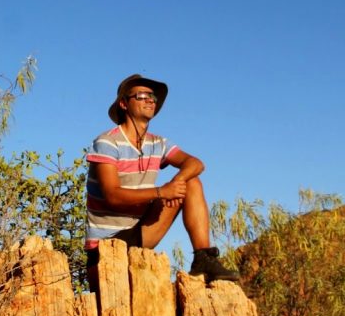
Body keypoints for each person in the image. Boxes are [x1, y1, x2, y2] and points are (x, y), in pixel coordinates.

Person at [85, 73, 237, 287]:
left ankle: (204, 258)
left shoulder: (158, 143)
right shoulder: (108, 142)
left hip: (139, 232)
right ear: (124, 104)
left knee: (191, 182)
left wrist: (176, 183)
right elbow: (112, 196)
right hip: (106, 245)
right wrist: (161, 192)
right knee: (182, 185)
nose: (150, 100)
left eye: (153, 97)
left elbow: (196, 164)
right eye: (141, 95)